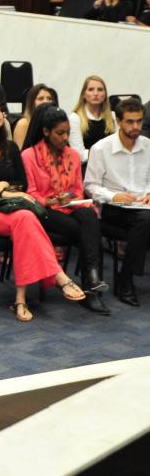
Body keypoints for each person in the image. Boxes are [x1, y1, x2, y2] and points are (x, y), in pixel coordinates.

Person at [0, 98, 86, 321]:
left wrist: (3, 184)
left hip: (13, 211)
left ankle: (20, 300)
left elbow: (21, 183)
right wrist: (6, 193)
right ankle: (58, 276)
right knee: (25, 218)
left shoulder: (10, 147)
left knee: (25, 219)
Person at [21, 104, 110, 314]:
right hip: (44, 210)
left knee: (88, 214)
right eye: (60, 133)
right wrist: (51, 200)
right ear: (46, 131)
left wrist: (70, 198)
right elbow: (31, 193)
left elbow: (78, 190)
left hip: (69, 207)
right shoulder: (29, 155)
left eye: (68, 132)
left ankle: (91, 281)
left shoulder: (73, 156)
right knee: (88, 230)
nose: (65, 137)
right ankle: (91, 285)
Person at [84, 98, 150, 307]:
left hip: (142, 205)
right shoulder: (101, 148)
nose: (136, 126)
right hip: (113, 209)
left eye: (139, 121)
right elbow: (90, 186)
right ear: (118, 121)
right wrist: (113, 196)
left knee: (145, 218)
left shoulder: (148, 145)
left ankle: (125, 275)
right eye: (130, 121)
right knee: (146, 220)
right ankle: (126, 281)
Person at [67, 75, 114, 161]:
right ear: (84, 94)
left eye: (100, 90)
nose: (96, 94)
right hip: (86, 166)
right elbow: (78, 154)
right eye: (91, 89)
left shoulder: (113, 116)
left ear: (105, 94)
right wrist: (103, 153)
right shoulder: (75, 118)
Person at [13, 84, 57, 148]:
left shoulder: (54, 124)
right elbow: (20, 152)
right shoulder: (24, 123)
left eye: (49, 98)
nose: (46, 102)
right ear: (32, 103)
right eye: (41, 99)